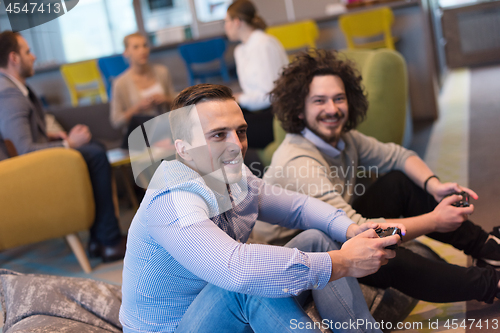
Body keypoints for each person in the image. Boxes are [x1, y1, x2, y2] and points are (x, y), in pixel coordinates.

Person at [119, 83, 407, 333]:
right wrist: (342, 262)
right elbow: (238, 270)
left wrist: (352, 229)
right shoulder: (172, 199)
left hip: (218, 311)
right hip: (174, 327)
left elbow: (298, 207)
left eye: (240, 131)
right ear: (183, 149)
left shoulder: (233, 174)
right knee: (249, 287)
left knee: (318, 240)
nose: (236, 145)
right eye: (218, 135)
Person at [260, 49, 500, 303]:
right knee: (382, 252)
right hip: (301, 256)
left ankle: (488, 249)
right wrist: (433, 220)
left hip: (339, 225)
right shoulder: (298, 161)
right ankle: (492, 284)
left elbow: (398, 156)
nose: (332, 109)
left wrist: (434, 185)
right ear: (299, 110)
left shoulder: (345, 139)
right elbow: (360, 231)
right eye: (319, 101)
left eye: (339, 98)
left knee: (396, 183)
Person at [0, 31, 125, 262]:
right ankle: (107, 240)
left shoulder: (12, 88)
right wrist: (67, 144)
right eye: (28, 52)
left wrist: (49, 135)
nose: (34, 57)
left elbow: (17, 137)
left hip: (25, 170)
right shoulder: (9, 94)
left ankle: (102, 238)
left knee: (94, 147)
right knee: (94, 153)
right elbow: (23, 152)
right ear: (14, 58)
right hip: (18, 179)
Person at [224, 0, 288, 149]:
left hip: (275, 115)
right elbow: (254, 92)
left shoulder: (264, 44)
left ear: (237, 22)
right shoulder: (240, 50)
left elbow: (270, 96)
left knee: (226, 134)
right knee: (219, 123)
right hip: (258, 110)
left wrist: (240, 99)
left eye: (226, 22)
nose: (225, 27)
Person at [110, 32, 175, 134]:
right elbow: (116, 121)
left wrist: (165, 99)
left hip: (166, 129)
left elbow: (177, 101)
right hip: (140, 134)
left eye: (145, 46)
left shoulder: (162, 72)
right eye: (136, 47)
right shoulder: (120, 83)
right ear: (126, 52)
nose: (142, 50)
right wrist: (137, 108)